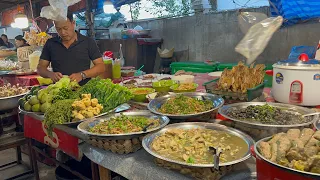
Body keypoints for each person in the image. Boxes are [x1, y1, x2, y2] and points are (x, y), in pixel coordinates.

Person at [37, 11, 105, 85]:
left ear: (73, 23)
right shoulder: (50, 43)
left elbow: (101, 66)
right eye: (58, 29)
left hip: (84, 91)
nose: (63, 32)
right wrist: (50, 74)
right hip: (60, 91)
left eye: (65, 28)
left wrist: (82, 75)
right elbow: (40, 68)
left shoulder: (88, 42)